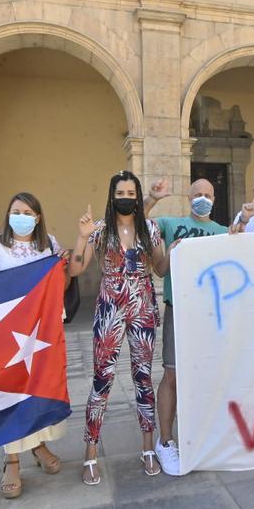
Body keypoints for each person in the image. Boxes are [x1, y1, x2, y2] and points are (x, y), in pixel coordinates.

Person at [0, 191, 89, 500]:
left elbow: (62, 284)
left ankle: (38, 446)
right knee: (10, 396)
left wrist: (71, 252)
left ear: (37, 217)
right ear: (8, 214)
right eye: (16, 210)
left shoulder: (47, 243)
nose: (21, 216)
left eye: (27, 212)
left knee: (36, 391)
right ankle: (11, 461)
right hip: (4, 335)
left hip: (39, 335)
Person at [75, 171, 167, 485]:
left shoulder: (150, 228)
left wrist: (176, 249)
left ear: (136, 197)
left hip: (143, 306)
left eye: (131, 193)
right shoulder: (100, 230)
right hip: (109, 309)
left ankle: (147, 448)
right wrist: (82, 236)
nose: (126, 198)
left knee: (143, 377)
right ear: (112, 196)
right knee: (102, 379)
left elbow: (160, 268)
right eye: (121, 193)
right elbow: (76, 266)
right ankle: (90, 453)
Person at [142, 177, 228, 475]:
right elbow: (135, 224)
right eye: (197, 194)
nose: (202, 198)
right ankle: (165, 442)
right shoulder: (170, 224)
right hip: (178, 309)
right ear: (188, 197)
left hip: (209, 314)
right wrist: (152, 199)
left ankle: (204, 437)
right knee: (173, 375)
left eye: (207, 194)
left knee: (207, 375)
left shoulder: (222, 232)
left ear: (214, 198)